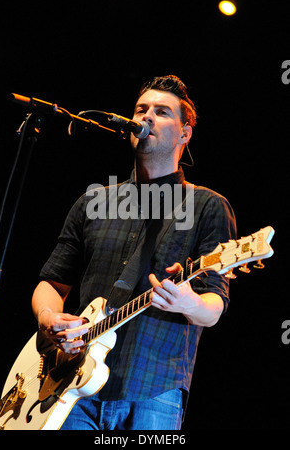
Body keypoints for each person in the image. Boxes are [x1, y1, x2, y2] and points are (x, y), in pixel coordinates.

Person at [31, 75, 236, 430]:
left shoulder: (208, 206)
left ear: (185, 134)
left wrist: (188, 302)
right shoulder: (93, 201)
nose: (147, 117)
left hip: (153, 392)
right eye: (142, 109)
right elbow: (52, 282)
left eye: (161, 111)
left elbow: (214, 306)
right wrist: (49, 317)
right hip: (71, 389)